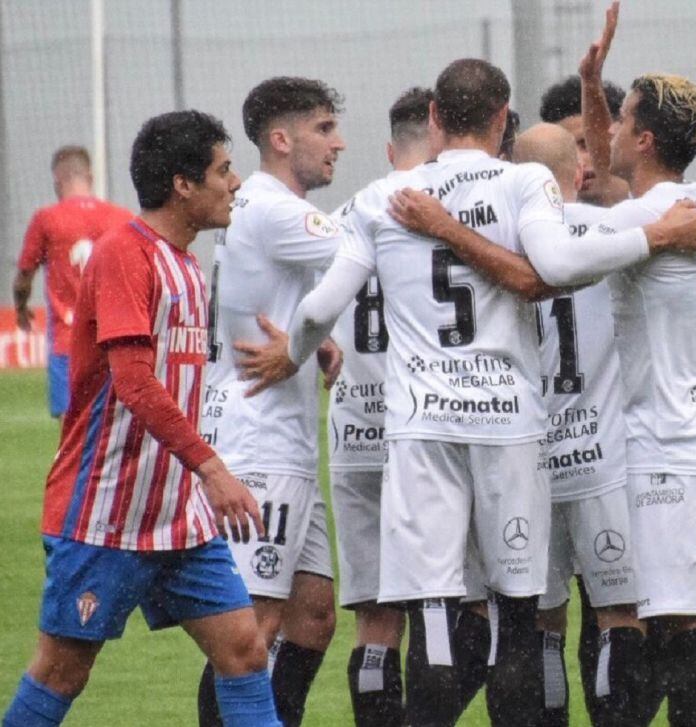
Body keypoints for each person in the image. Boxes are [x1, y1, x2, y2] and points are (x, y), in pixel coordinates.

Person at [238, 57, 696, 726]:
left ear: (434, 117)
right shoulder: (523, 182)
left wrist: (289, 353)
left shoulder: (383, 198)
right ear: (501, 120)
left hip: (423, 429)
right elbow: (555, 266)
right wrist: (655, 235)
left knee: (433, 613)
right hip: (510, 425)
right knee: (521, 614)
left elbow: (321, 304)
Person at [0, 110, 281, 727]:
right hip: (104, 512)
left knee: (244, 651)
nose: (234, 183)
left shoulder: (184, 263)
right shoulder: (126, 253)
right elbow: (133, 382)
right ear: (183, 184)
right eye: (223, 169)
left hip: (177, 516)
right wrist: (212, 467)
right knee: (62, 671)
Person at [196, 77, 347, 727]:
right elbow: (368, 252)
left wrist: (314, 338)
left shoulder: (263, 210)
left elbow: (291, 298)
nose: (337, 141)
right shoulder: (275, 208)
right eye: (323, 128)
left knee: (312, 614)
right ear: (281, 140)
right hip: (260, 445)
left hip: (280, 439)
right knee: (249, 629)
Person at [502, 121, 642, 726]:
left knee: (542, 624)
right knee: (619, 615)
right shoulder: (613, 231)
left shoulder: (499, 241)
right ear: (578, 173)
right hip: (601, 455)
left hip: (524, 458)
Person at [326, 85, 441, 727]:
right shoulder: (451, 212)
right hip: (428, 430)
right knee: (442, 608)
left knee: (374, 619)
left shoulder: (340, 215)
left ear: (389, 148)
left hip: (354, 437)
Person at [13, 146, 131, 419]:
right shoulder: (121, 218)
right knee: (109, 429)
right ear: (90, 176)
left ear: (57, 179)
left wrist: (21, 308)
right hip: (113, 340)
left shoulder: (47, 219)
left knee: (72, 434)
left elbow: (24, 277)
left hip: (69, 340)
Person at [540, 73, 629, 206]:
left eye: (587, 145)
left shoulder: (662, 215)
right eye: (564, 150)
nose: (578, 160)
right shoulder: (540, 220)